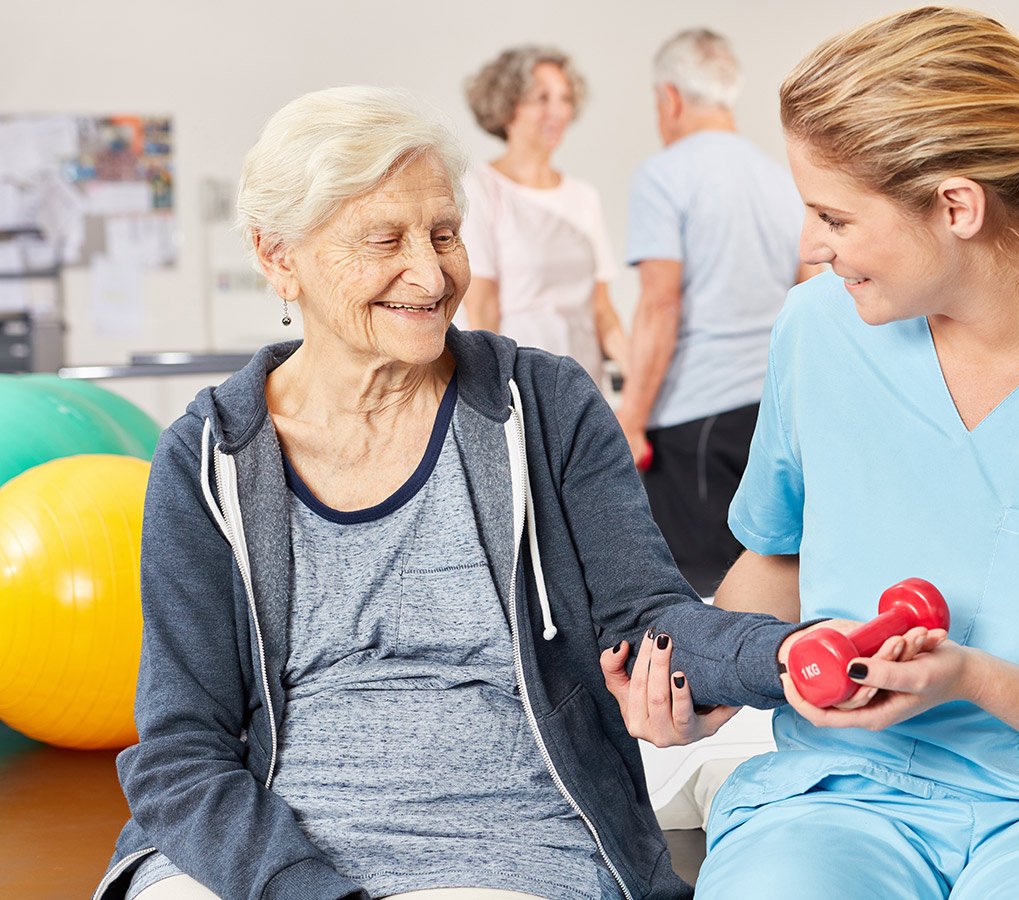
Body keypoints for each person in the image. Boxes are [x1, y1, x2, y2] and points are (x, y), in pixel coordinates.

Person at [610, 8, 1019, 899]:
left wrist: (975, 681)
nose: (812, 246)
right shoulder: (819, 330)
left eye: (833, 216)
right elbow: (779, 554)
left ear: (957, 205)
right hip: (841, 794)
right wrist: (710, 680)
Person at [96, 86, 807, 900]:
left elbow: (650, 622)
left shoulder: (543, 405)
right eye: (384, 240)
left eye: (445, 234)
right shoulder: (208, 456)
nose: (431, 274)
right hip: (262, 854)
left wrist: (789, 656)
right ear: (275, 255)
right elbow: (180, 748)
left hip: (507, 844)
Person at [616, 28, 814, 596]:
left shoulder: (664, 175)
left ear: (670, 99)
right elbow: (810, 293)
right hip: (769, 413)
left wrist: (630, 419)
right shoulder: (782, 181)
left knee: (695, 596)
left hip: (691, 419)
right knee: (764, 581)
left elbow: (660, 304)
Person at [459, 46, 627, 387]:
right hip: (521, 387)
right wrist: (491, 395)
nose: (559, 111)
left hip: (584, 388)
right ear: (507, 107)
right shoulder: (480, 189)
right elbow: (482, 309)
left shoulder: (583, 196)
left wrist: (641, 394)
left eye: (565, 98)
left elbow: (603, 312)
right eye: (542, 98)